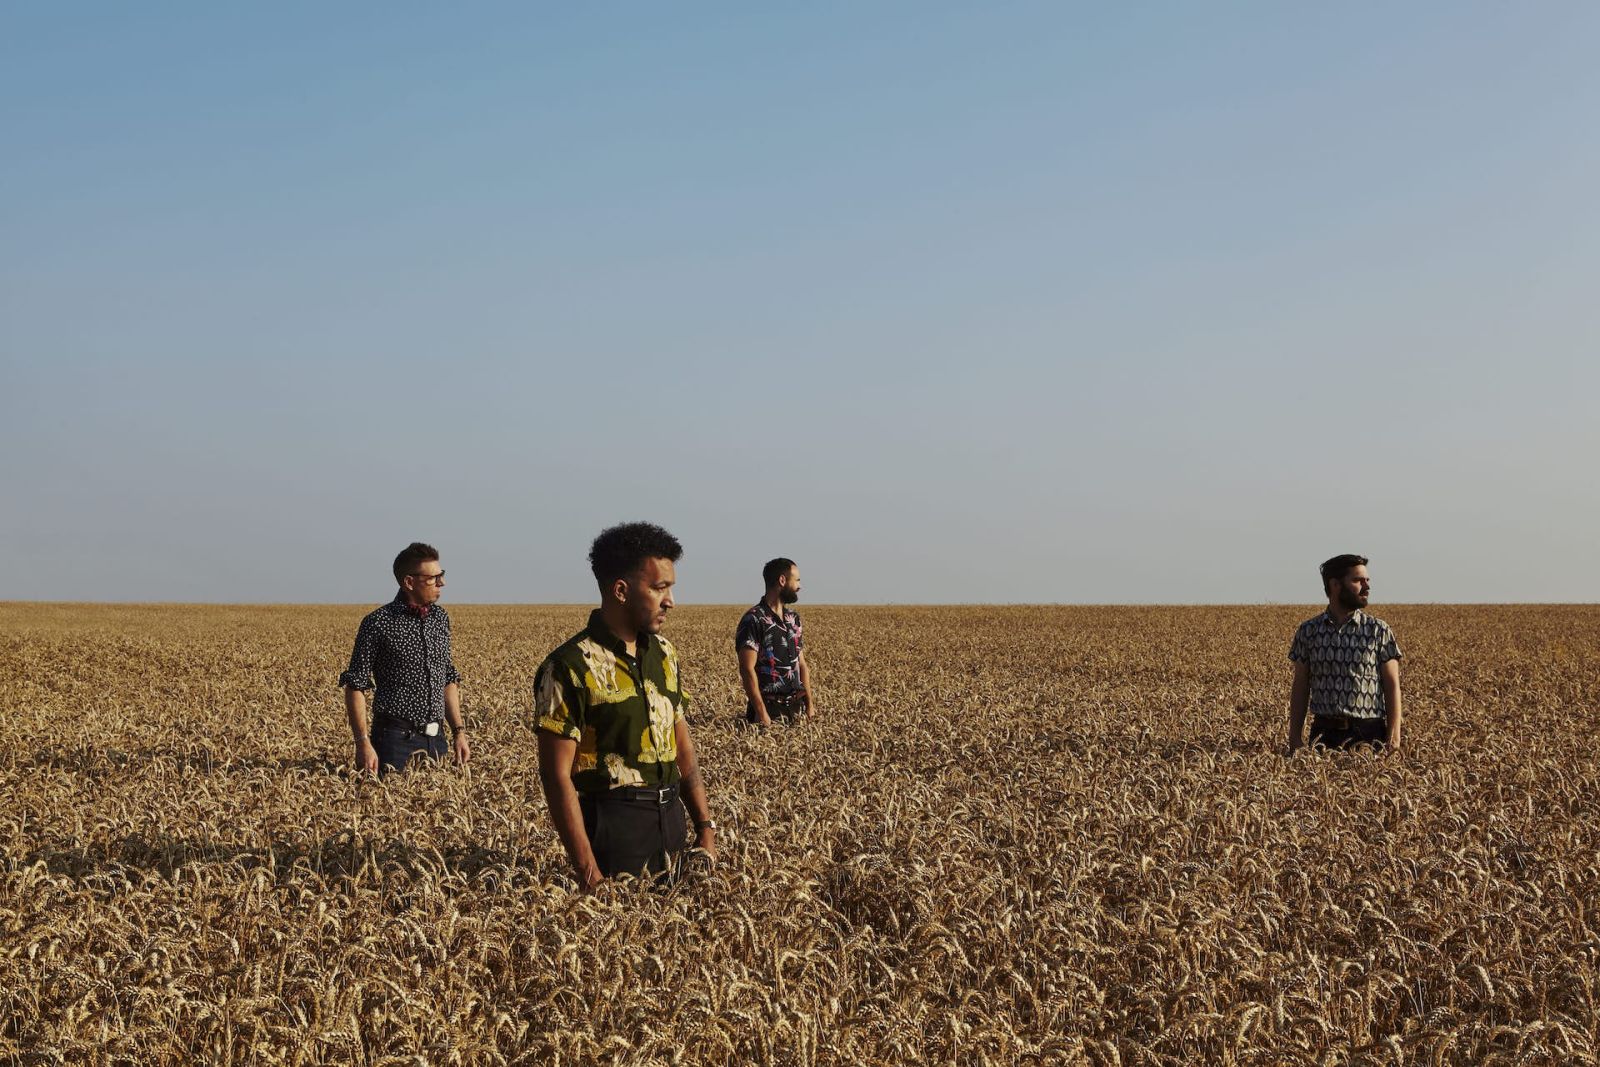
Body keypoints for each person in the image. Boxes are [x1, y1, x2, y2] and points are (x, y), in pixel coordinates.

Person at [533, 522, 717, 889]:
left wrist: (705, 827)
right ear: (620, 590)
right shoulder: (569, 667)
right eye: (659, 587)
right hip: (615, 830)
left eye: (671, 588)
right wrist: (589, 873)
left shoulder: (664, 654)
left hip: (673, 822)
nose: (671, 600)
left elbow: (681, 745)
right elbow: (556, 777)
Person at [339, 542, 470, 776]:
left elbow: (447, 678)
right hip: (394, 743)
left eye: (442, 575)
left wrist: (458, 732)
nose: (442, 583)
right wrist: (362, 743)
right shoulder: (378, 623)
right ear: (409, 582)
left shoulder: (440, 619)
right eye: (433, 578)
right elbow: (355, 685)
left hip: (437, 741)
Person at [1286, 554, 1403, 755]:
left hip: (1369, 734)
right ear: (1335, 585)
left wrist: (1393, 739)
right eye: (1358, 580)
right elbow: (1300, 687)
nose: (1366, 587)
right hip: (1324, 734)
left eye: (1367, 580)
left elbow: (1392, 686)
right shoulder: (1308, 631)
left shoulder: (1379, 631)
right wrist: (1295, 738)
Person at [736, 557, 816, 727]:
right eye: (797, 580)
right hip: (769, 709)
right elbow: (746, 669)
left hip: (797, 707)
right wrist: (762, 714)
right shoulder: (754, 619)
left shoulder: (793, 619)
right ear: (782, 580)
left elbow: (801, 665)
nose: (799, 586)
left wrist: (809, 705)